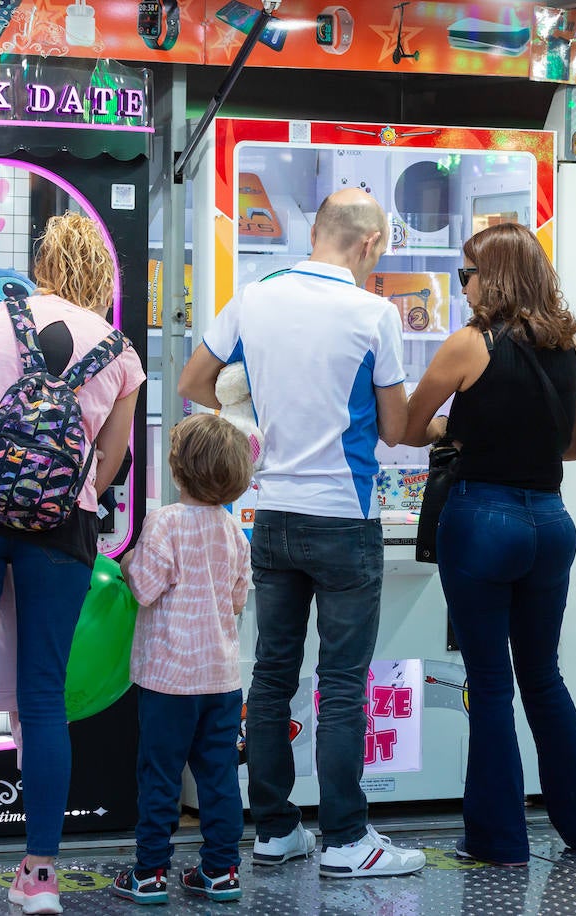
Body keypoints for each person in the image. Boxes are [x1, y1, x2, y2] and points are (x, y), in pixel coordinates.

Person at [177, 188, 424, 878]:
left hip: (273, 514)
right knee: (342, 683)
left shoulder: (255, 296)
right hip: (346, 518)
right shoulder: (374, 313)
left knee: (271, 676)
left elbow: (196, 382)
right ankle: (347, 840)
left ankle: (276, 830)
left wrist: (255, 412)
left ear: (315, 230)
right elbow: (399, 429)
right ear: (370, 245)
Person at [0, 213, 144, 914]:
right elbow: (107, 468)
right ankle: (39, 877)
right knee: (44, 698)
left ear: (43, 263)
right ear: (104, 276)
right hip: (59, 528)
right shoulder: (121, 353)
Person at [400, 222, 576, 867]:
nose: (463, 286)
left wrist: (459, 433)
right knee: (543, 677)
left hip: (482, 518)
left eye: (467, 274)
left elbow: (409, 427)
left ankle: (497, 839)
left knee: (491, 685)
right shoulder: (571, 351)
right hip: (550, 521)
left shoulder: (467, 345)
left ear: (493, 278)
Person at [110, 413, 254, 905]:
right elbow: (237, 600)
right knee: (218, 777)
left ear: (177, 471)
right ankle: (221, 871)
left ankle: (149, 873)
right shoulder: (233, 531)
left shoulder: (165, 521)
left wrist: (127, 562)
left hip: (168, 678)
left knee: (160, 777)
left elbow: (146, 589)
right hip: (221, 678)